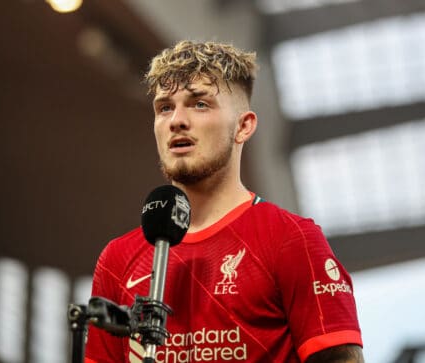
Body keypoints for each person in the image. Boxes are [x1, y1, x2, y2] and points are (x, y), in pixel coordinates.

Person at [85, 40, 364, 363]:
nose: (177, 120)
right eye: (164, 107)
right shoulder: (118, 259)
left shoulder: (291, 240)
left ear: (243, 127)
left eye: (199, 104)